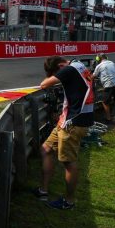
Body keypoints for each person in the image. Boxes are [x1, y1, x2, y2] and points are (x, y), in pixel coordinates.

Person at [34, 56, 94, 210]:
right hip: (69, 119)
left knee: (69, 162)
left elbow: (44, 84)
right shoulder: (80, 65)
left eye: (56, 73)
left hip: (73, 123)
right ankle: (43, 190)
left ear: (60, 66)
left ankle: (69, 201)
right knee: (46, 149)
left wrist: (53, 77)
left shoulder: (69, 69)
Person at [93, 53, 115, 125]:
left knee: (105, 102)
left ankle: (108, 119)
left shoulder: (99, 66)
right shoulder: (112, 63)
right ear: (106, 58)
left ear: (98, 59)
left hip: (109, 85)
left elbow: (93, 76)